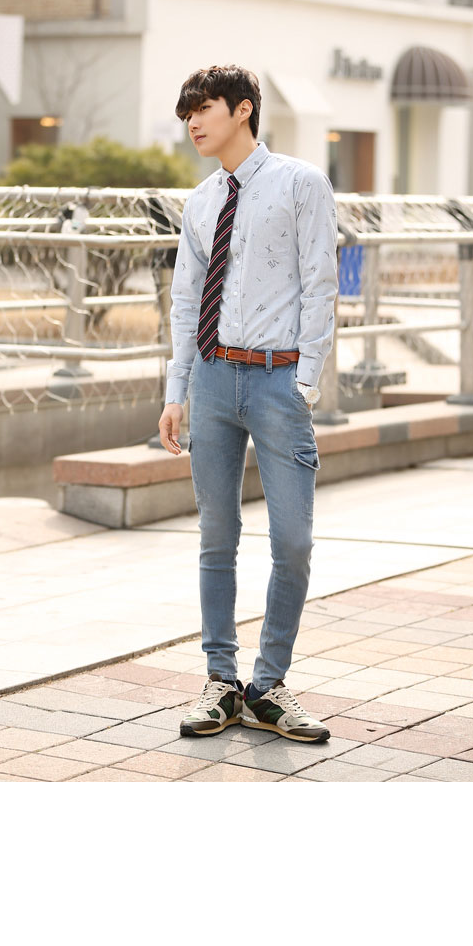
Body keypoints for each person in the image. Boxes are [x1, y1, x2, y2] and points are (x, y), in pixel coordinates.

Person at [159, 63, 339, 744]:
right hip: (210, 380)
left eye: (203, 109)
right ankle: (221, 680)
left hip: (276, 380)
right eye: (186, 115)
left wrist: (304, 383)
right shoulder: (201, 201)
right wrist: (176, 390)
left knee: (292, 541)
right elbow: (185, 299)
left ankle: (268, 684)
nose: (193, 124)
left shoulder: (300, 182)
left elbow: (320, 284)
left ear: (242, 109)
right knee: (217, 536)